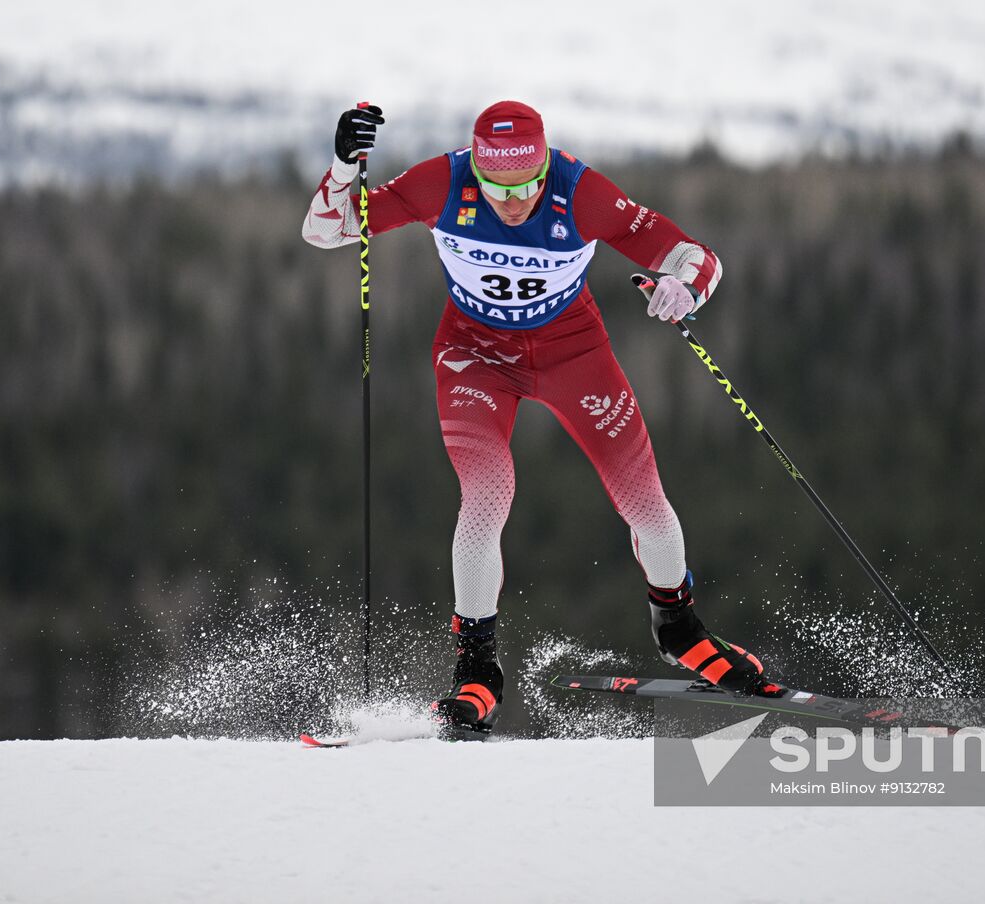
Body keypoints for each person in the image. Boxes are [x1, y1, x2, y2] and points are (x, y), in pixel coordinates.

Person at [302, 100, 765, 737]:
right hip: (474, 356)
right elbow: (326, 230)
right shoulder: (443, 183)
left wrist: (682, 287)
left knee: (648, 506)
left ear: (545, 168)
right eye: (497, 188)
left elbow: (692, 253)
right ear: (477, 172)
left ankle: (679, 628)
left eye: (525, 186)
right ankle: (476, 669)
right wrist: (340, 165)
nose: (513, 202)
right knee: (487, 495)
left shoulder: (582, 193)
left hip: (573, 351)